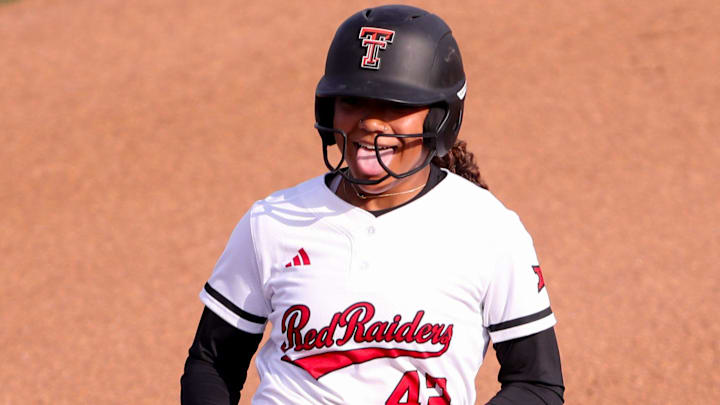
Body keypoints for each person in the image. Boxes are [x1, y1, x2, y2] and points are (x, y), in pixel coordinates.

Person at [181, 4, 564, 404]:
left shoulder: (488, 230)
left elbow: (536, 385)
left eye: (396, 107)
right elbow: (212, 363)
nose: (370, 123)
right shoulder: (274, 222)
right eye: (353, 102)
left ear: (440, 120)